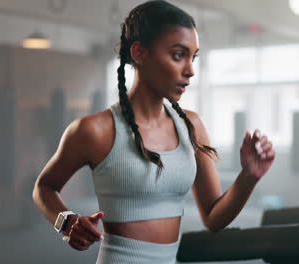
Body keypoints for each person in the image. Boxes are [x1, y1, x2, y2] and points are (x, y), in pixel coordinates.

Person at [32, 1, 276, 263]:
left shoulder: (191, 126)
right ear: (139, 53)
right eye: (178, 55)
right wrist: (65, 222)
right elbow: (44, 188)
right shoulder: (94, 130)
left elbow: (214, 217)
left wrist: (248, 177)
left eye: (193, 57)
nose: (190, 70)